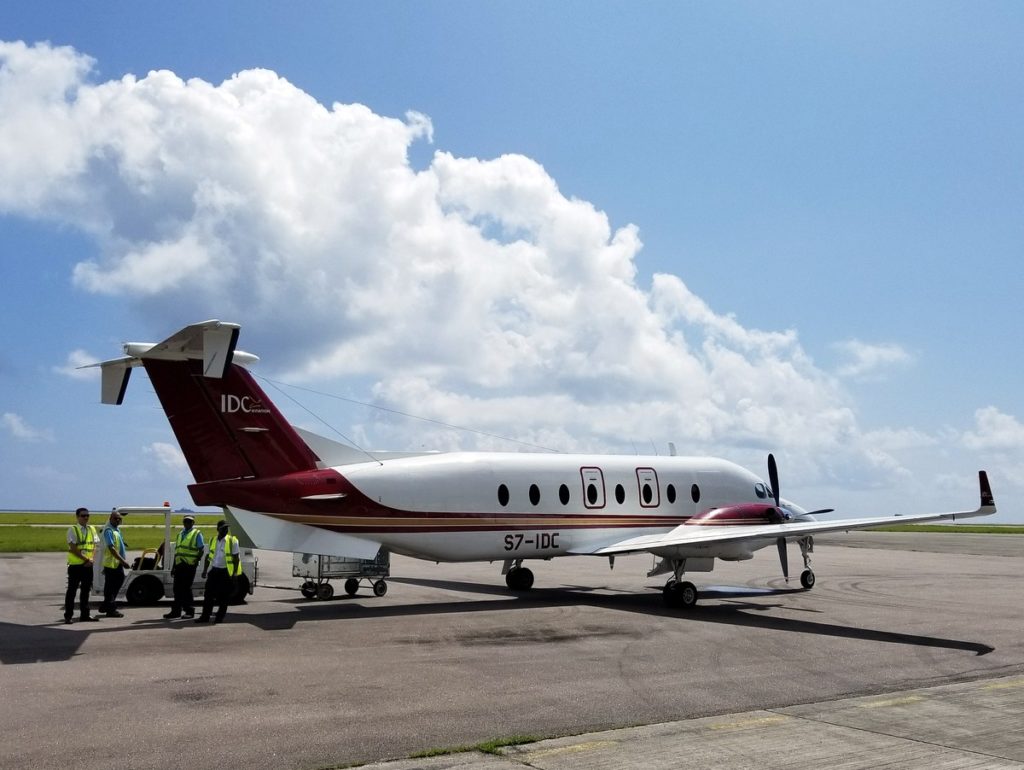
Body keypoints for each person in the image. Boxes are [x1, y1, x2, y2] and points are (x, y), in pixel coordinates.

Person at [196, 520, 240, 624]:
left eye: (226, 528)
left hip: (225, 572)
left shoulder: (232, 541)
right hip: (214, 570)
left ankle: (219, 617)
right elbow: (208, 556)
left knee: (223, 597)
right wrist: (205, 570)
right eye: (223, 528)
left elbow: (236, 558)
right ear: (218, 529)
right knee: (208, 595)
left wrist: (234, 573)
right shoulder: (213, 540)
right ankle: (205, 616)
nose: (225, 530)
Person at [164, 515, 205, 619]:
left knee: (186, 588)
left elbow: (201, 549)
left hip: (189, 565)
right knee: (177, 589)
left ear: (193, 523)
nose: (187, 523)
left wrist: (196, 561)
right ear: (183, 522)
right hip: (179, 565)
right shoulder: (180, 534)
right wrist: (173, 567)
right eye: (186, 521)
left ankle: (189, 611)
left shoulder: (196, 533)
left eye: (189, 521)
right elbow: (177, 552)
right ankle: (176, 611)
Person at [64, 507, 99, 624]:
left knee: (85, 591)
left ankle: (85, 614)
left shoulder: (92, 529)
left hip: (88, 565)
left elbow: (95, 545)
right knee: (72, 591)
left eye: (87, 515)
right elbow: (73, 549)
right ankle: (68, 616)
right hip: (76, 566)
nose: (86, 518)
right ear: (77, 517)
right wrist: (86, 560)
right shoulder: (72, 530)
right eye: (83, 516)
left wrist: (92, 559)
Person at [98, 510, 131, 617]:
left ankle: (106, 605)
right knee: (111, 586)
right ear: (110, 519)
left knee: (116, 583)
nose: (117, 520)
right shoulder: (109, 531)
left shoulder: (116, 530)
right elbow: (111, 548)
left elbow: (117, 542)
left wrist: (123, 543)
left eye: (119, 519)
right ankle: (111, 609)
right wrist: (123, 561)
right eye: (115, 518)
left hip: (116, 563)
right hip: (112, 563)